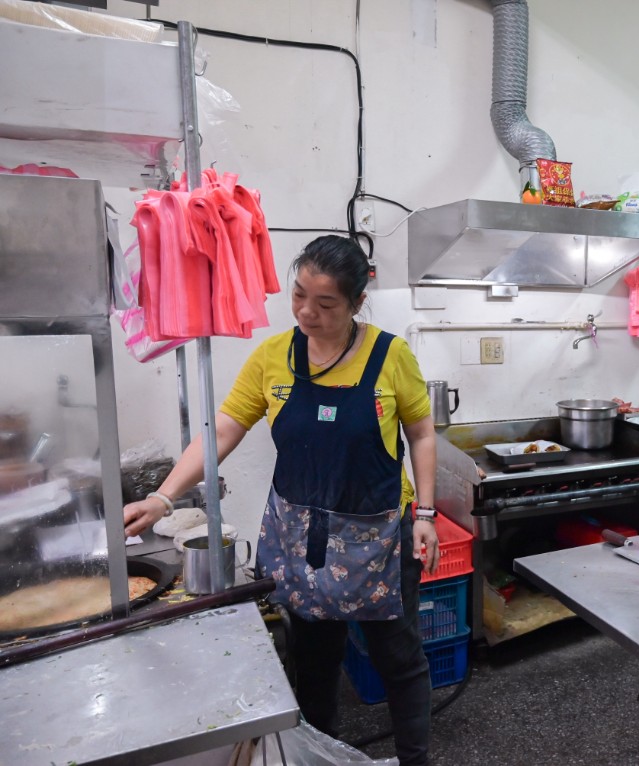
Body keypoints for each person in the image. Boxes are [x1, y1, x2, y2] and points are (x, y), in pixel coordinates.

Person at [123, 235, 439, 765]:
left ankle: (415, 758)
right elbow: (224, 428)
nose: (307, 312)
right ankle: (319, 756)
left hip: (379, 533)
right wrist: (163, 496)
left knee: (398, 657)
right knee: (314, 660)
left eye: (326, 303)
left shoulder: (391, 356)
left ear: (357, 302)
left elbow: (423, 434)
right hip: (303, 538)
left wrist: (426, 514)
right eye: (298, 296)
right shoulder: (274, 356)